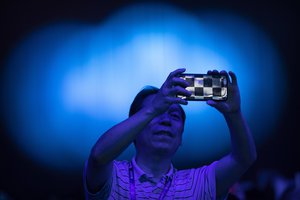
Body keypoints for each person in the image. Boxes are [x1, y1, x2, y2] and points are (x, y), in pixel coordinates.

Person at [83, 68, 257, 199]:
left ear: (181, 136)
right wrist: (153, 108)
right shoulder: (113, 174)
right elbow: (98, 156)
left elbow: (243, 159)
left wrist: (234, 115)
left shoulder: (197, 183)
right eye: (158, 113)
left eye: (174, 116)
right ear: (134, 129)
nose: (166, 121)